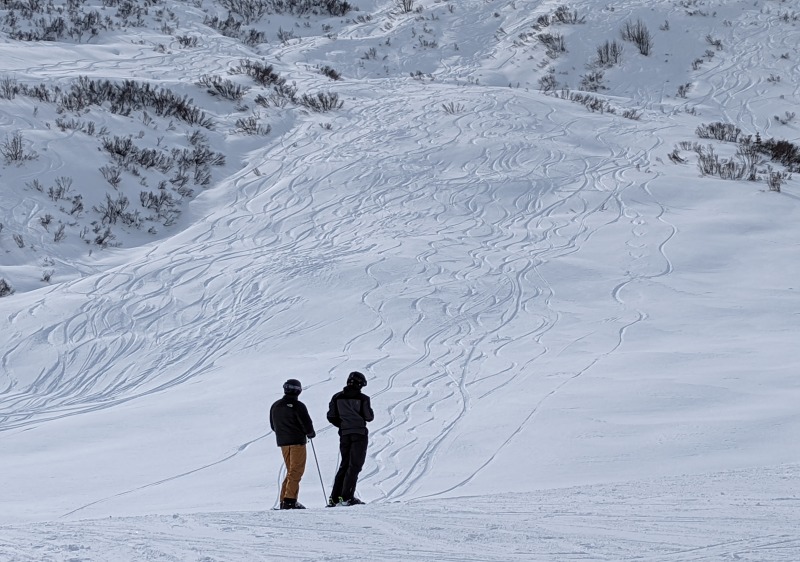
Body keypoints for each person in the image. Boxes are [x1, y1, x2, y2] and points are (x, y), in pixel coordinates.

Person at [326, 371, 374, 507]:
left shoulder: (336, 397)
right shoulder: (363, 398)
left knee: (344, 464)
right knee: (355, 466)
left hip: (345, 434)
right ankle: (347, 497)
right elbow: (369, 417)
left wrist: (342, 425)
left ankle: (334, 498)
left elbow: (331, 416)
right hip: (359, 433)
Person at [270, 379, 316, 509]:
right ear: (298, 391)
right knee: (296, 471)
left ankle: (284, 500)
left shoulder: (276, 405)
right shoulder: (298, 405)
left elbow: (273, 425)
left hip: (283, 442)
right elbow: (306, 423)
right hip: (297, 442)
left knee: (291, 471)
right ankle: (289, 501)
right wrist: (310, 433)